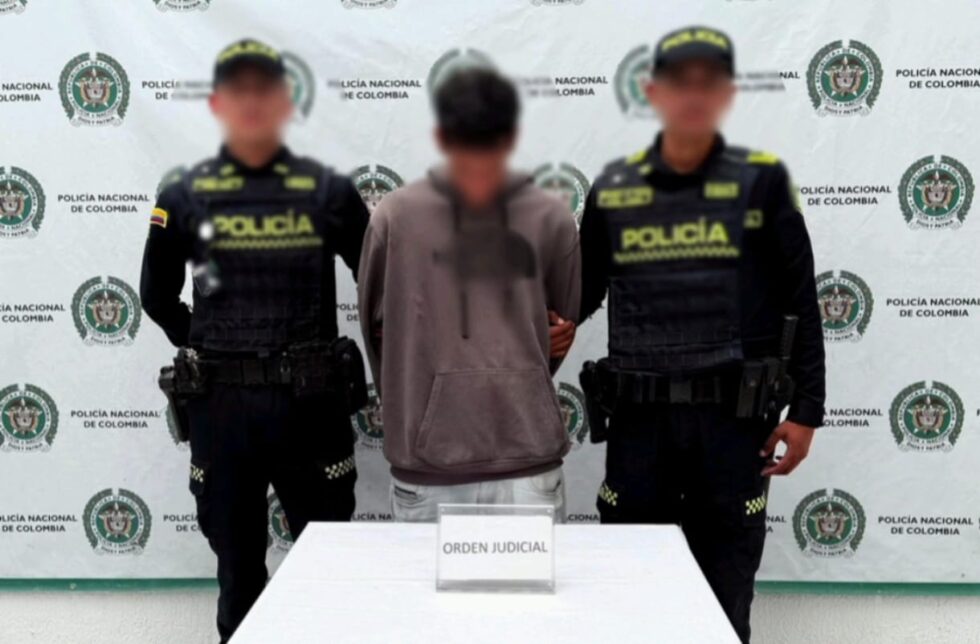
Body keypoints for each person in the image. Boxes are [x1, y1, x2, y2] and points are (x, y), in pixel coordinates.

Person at [577, 26, 825, 642]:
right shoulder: (613, 190)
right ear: (654, 93)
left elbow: (801, 299)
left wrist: (808, 411)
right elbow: (582, 294)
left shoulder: (764, 183)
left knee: (724, 604)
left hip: (732, 429)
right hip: (640, 428)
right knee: (632, 606)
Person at [140, 39, 370, 643]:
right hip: (229, 413)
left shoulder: (330, 193)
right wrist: (208, 349)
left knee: (325, 566)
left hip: (306, 407)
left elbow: (381, 285)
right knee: (242, 571)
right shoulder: (183, 196)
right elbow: (155, 297)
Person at [357, 68, 580, 522]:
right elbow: (377, 332)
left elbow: (561, 324)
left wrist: (518, 374)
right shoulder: (394, 217)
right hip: (429, 472)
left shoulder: (549, 216)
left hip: (527, 466)